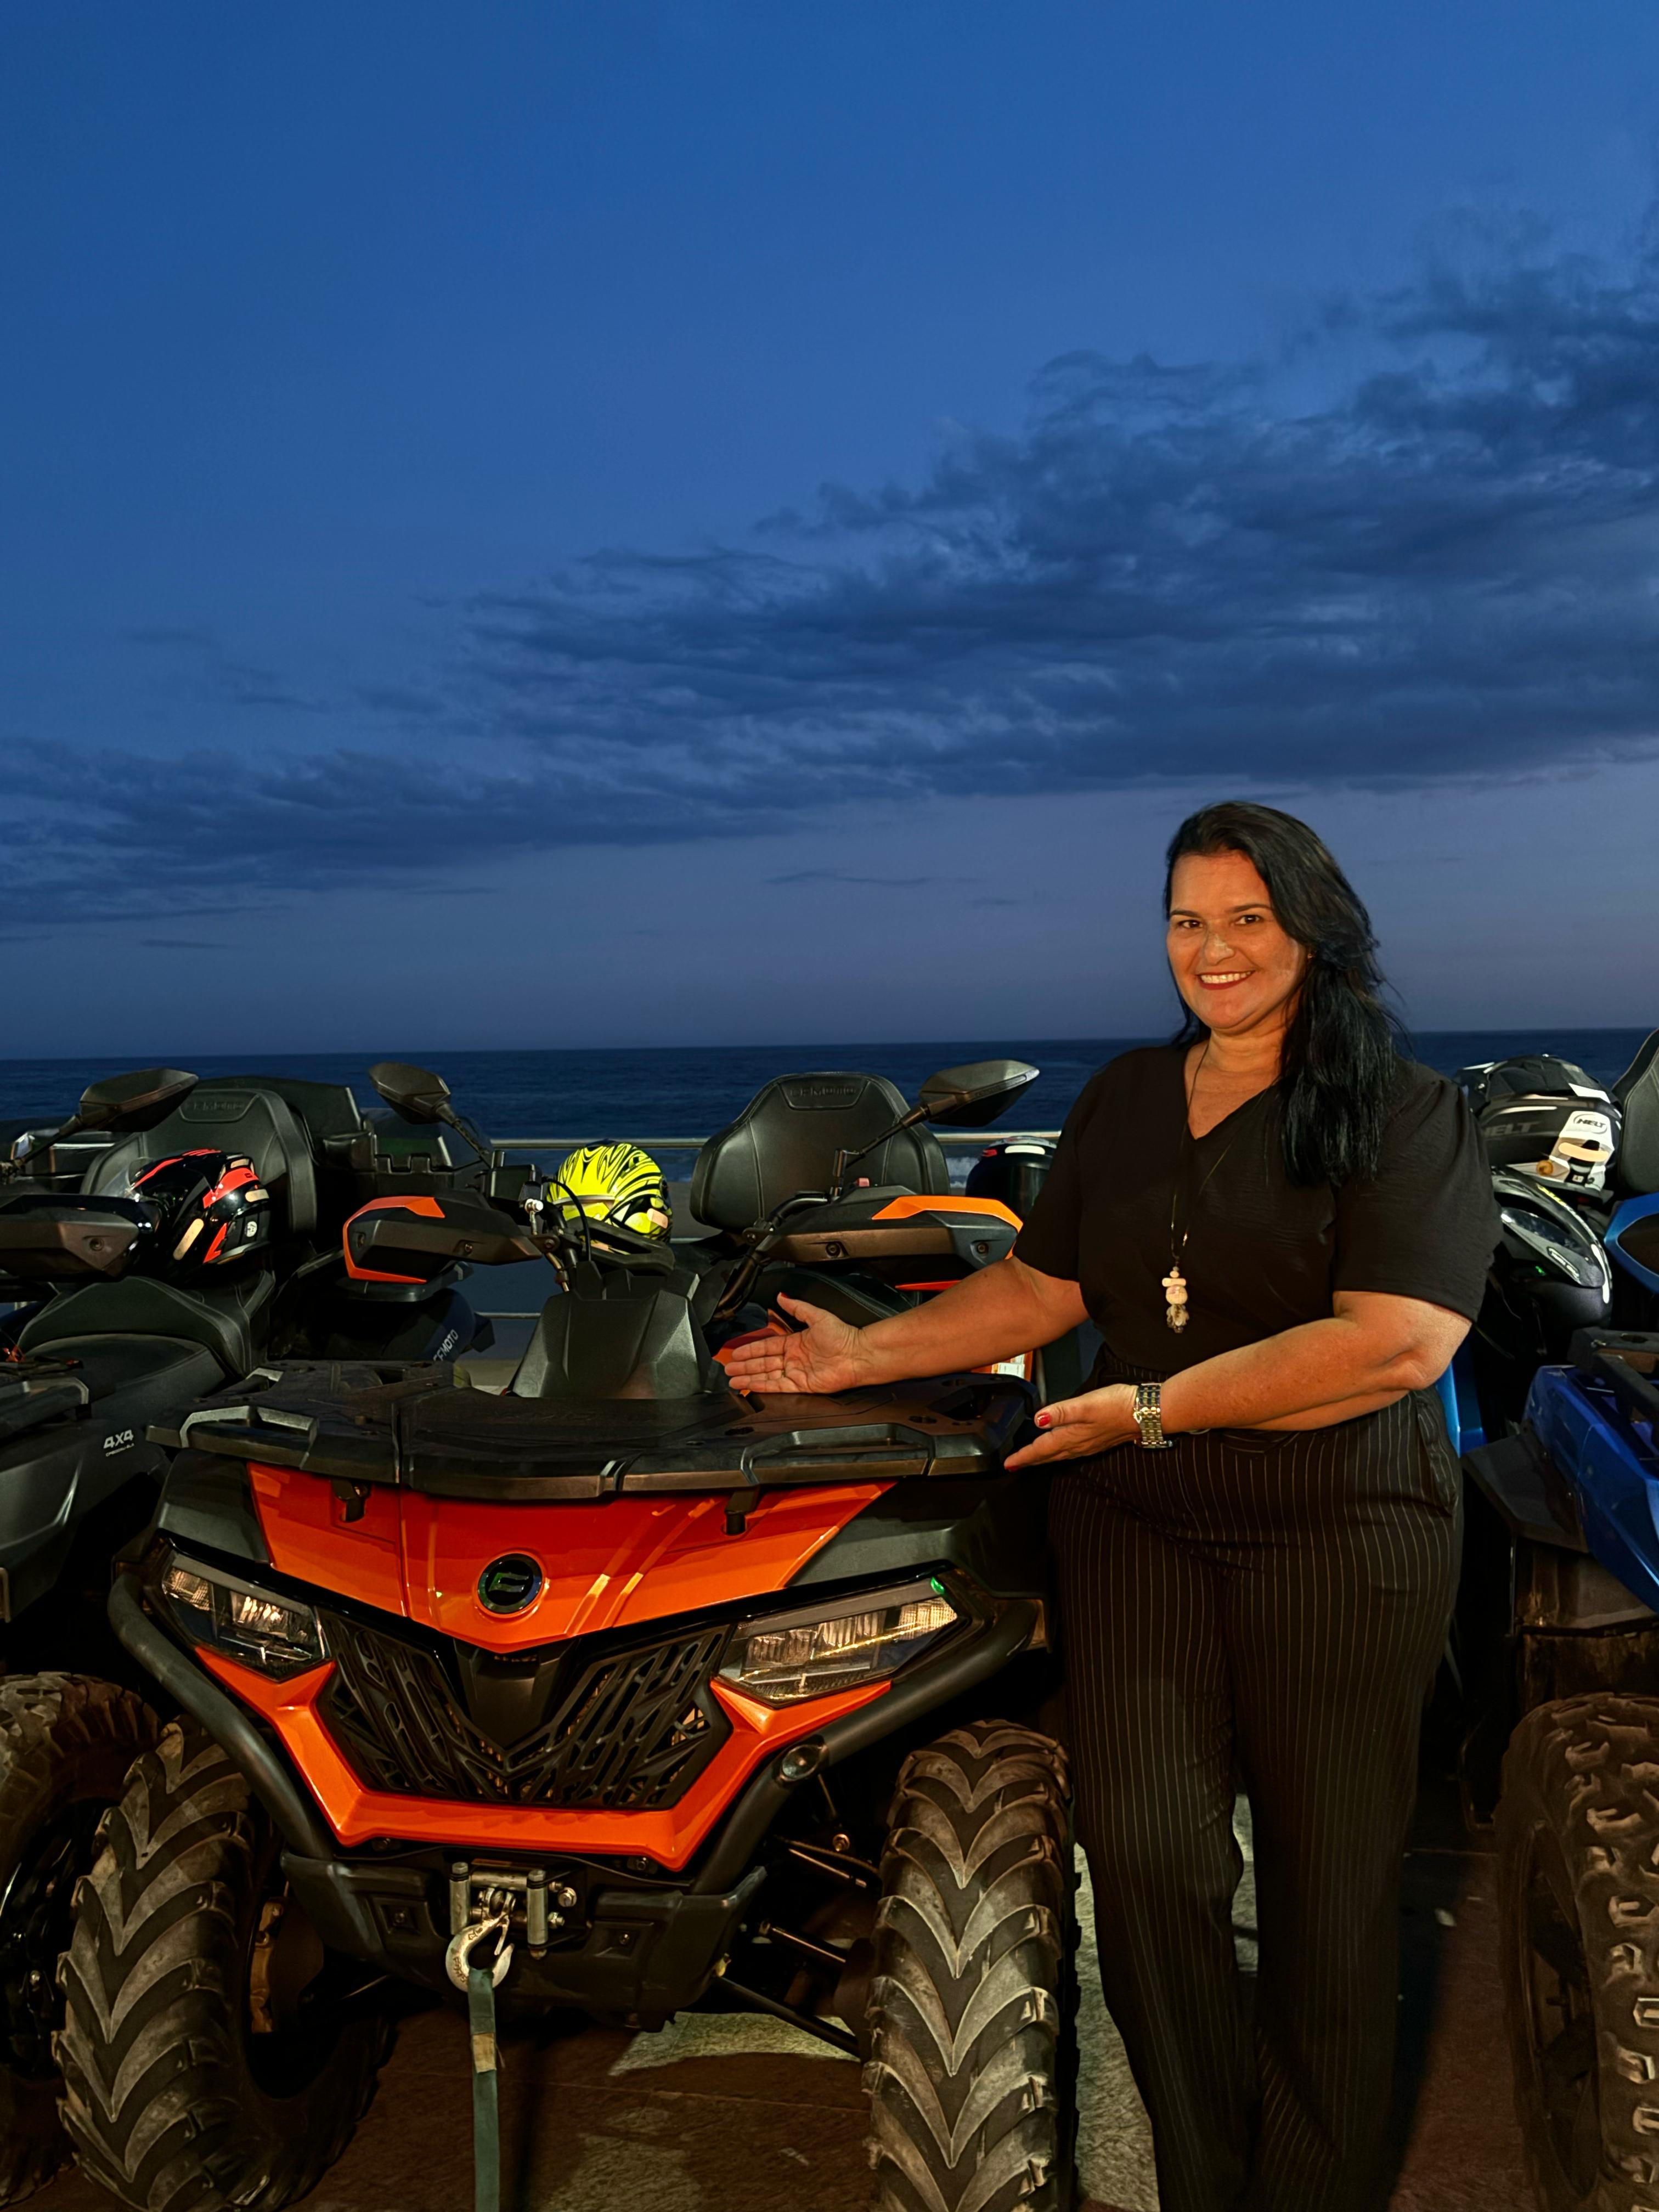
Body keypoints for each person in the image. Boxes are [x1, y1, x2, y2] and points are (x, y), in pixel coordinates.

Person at [723, 800, 1498, 2212]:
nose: (1214, 950)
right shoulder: (1129, 1096)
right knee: (1144, 1860)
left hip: (1342, 1524)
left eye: (1248, 919)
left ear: (1316, 933)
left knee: (1328, 1892)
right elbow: (1045, 1288)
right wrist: (859, 1356)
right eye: (1188, 921)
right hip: (1136, 1515)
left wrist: (1153, 1403)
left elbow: (1396, 1345)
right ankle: (1207, 2181)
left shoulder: (1404, 1108)